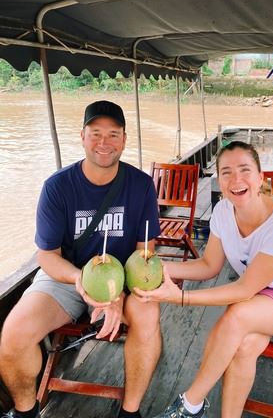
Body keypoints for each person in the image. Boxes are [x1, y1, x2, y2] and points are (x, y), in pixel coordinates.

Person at [134, 141, 273, 418]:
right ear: (218, 179)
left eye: (245, 170)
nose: (236, 179)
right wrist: (158, 267)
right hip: (264, 296)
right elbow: (208, 265)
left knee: (237, 315)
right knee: (244, 345)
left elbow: (244, 289)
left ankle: (189, 406)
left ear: (260, 176)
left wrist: (179, 297)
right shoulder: (223, 212)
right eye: (226, 172)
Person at [0, 100, 161, 418]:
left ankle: (130, 412)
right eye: (96, 133)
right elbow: (47, 256)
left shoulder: (140, 185)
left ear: (124, 140)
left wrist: (116, 292)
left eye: (113, 134)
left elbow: (146, 253)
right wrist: (81, 281)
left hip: (123, 277)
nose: (105, 143)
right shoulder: (58, 187)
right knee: (13, 335)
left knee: (148, 316)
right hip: (67, 277)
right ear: (82, 136)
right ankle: (25, 412)